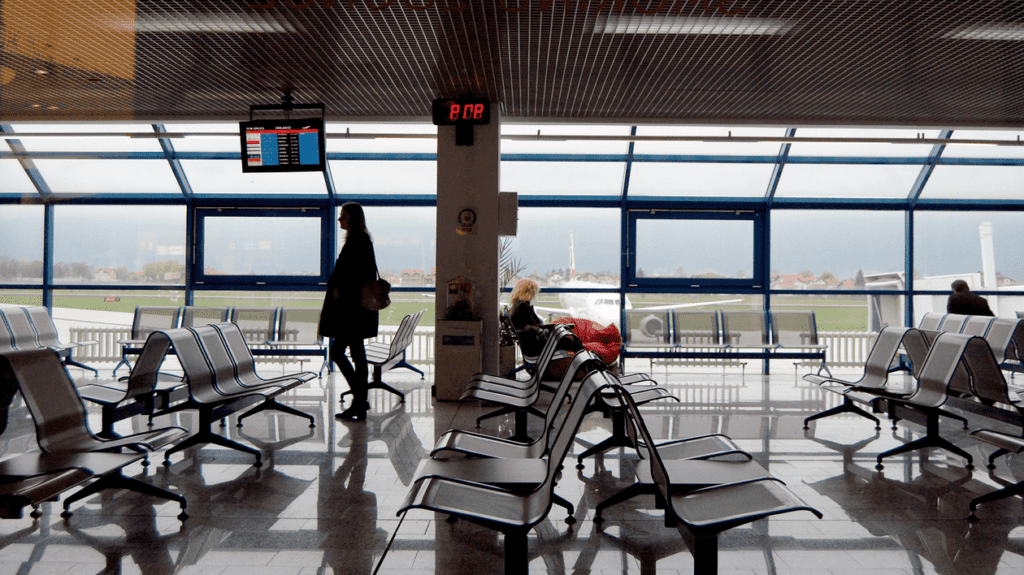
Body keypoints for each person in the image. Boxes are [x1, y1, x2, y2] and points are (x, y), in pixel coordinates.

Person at [319, 202, 379, 421]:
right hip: (356, 309)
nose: (339, 220)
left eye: (343, 216)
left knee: (338, 352)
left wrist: (341, 292)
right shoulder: (362, 239)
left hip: (351, 309)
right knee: (357, 354)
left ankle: (360, 399)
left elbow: (356, 273)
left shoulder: (357, 241)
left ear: (352, 218)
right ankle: (359, 401)